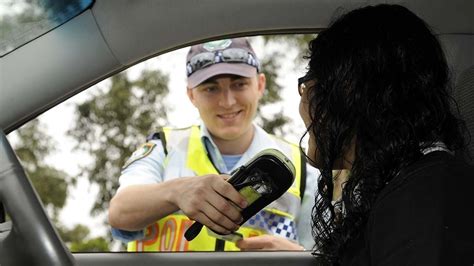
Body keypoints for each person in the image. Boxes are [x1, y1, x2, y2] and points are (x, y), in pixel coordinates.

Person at [298, 4, 474, 265]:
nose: (302, 102)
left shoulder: (425, 195)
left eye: (307, 85)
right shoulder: (396, 186)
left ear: (347, 91)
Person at [108, 37, 318, 252]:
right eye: (210, 88)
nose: (227, 101)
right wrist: (177, 192)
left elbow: (321, 253)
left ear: (260, 85)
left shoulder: (303, 166)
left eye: (239, 84)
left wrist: (297, 258)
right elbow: (119, 212)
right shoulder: (164, 146)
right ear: (191, 95)